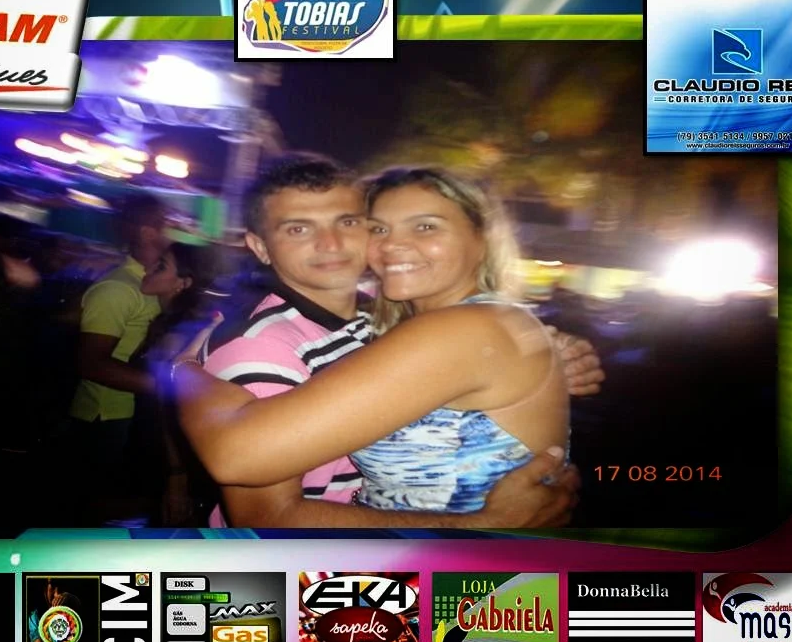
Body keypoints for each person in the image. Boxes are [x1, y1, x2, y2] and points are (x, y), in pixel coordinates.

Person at [174, 155, 602, 528]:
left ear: (482, 240)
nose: (395, 244)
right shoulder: (400, 324)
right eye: (379, 228)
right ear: (260, 246)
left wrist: (180, 370)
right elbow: (254, 493)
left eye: (426, 227)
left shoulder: (460, 329)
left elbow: (238, 456)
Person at [67, 194, 170, 523]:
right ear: (148, 233)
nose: (173, 233)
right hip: (109, 416)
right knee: (99, 512)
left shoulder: (151, 284)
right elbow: (91, 363)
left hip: (135, 413)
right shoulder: (119, 288)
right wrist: (168, 388)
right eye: (167, 225)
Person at [130, 242, 222, 526]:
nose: (148, 268)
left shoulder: (178, 334)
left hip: (168, 454)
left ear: (183, 282)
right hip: (157, 446)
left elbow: (171, 409)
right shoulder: (168, 322)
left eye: (161, 266)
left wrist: (176, 476)